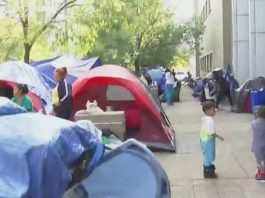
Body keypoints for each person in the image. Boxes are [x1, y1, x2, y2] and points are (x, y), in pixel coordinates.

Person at [200, 101, 224, 178]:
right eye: (213, 109)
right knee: (209, 156)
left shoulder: (204, 118)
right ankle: (208, 172)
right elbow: (212, 133)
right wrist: (219, 137)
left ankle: (207, 169)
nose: (215, 111)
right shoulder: (210, 120)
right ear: (207, 111)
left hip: (203, 139)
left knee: (206, 155)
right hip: (208, 141)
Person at [251, 106, 265, 181]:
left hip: (256, 146)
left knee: (259, 160)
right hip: (263, 146)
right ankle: (263, 174)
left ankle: (259, 173)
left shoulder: (253, 123)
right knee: (264, 161)